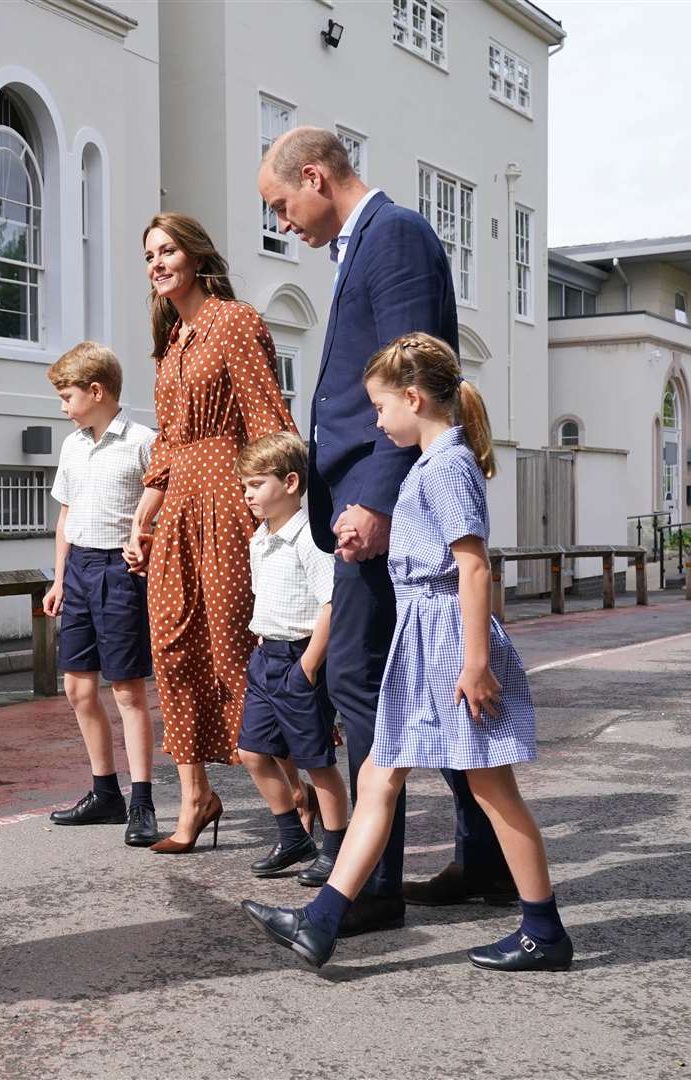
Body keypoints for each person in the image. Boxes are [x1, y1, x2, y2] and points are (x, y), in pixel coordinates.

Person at [242, 332, 572, 974]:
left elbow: (472, 568)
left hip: (449, 643)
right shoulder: (431, 462)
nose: (376, 419)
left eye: (381, 407)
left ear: (414, 398)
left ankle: (544, 930)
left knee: (493, 790)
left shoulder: (447, 465)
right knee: (377, 778)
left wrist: (476, 663)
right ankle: (323, 921)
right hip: (422, 641)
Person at [255, 126, 510, 927]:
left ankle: (371, 889)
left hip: (381, 500)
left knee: (361, 683)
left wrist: (374, 495)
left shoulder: (393, 235)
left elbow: (415, 375)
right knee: (419, 684)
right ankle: (487, 859)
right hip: (365, 495)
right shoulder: (362, 243)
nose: (283, 222)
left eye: (281, 204)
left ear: (317, 176)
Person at [124, 213, 298, 853]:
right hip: (176, 512)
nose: (157, 263)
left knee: (234, 649)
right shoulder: (172, 340)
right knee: (170, 649)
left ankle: (297, 792)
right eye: (149, 255)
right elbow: (167, 443)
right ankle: (195, 796)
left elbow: (268, 420)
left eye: (167, 250)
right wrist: (143, 515)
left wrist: (275, 512)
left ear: (196, 256)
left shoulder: (235, 321)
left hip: (229, 501)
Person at [41, 342, 161, 846]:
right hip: (82, 571)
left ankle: (143, 801)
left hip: (120, 572)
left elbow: (162, 511)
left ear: (96, 391)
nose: (63, 406)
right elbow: (65, 516)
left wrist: (144, 547)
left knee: (128, 691)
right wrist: (59, 578)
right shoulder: (72, 446)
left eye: (67, 396)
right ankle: (104, 792)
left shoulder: (143, 441)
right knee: (77, 688)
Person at [233, 433, 349, 879]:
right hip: (266, 656)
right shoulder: (260, 538)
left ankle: (336, 849)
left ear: (291, 483)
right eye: (245, 486)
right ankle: (293, 837)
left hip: (301, 659)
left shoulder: (310, 538)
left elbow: (331, 603)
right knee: (252, 752)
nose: (248, 495)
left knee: (317, 762)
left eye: (256, 484)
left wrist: (308, 666)